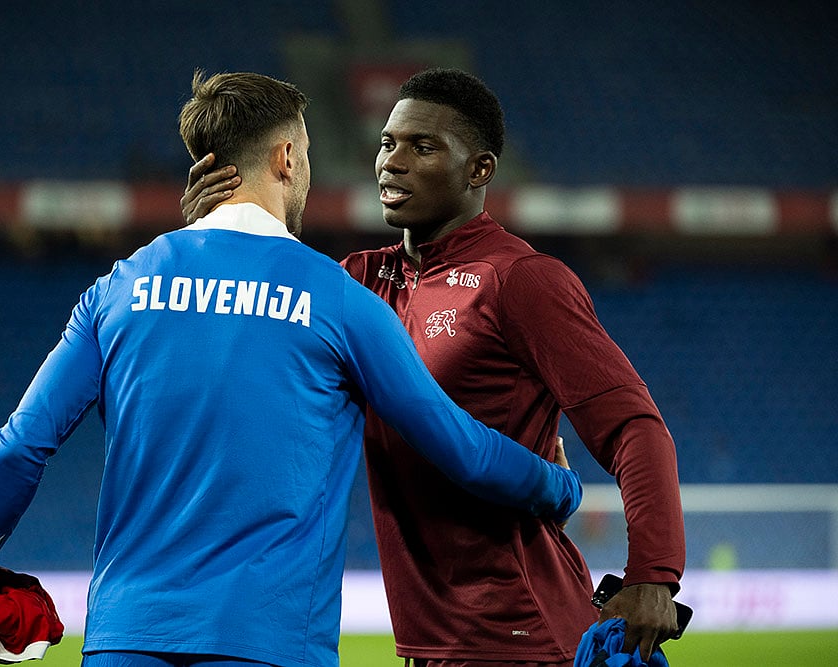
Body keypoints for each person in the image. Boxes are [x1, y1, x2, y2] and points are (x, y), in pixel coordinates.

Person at [0, 70, 584, 667]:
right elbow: (460, 448)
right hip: (270, 641)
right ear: (285, 158)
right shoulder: (338, 300)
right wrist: (559, 487)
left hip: (126, 635)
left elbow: (21, 445)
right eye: (305, 155)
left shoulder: (121, 287)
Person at [182, 67, 686, 667]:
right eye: (387, 143)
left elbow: (633, 426)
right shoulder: (359, 281)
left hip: (518, 632)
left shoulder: (521, 281)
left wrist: (653, 574)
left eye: (423, 147)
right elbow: (242, 346)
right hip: (432, 640)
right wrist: (213, 234)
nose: (391, 163)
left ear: (479, 170)